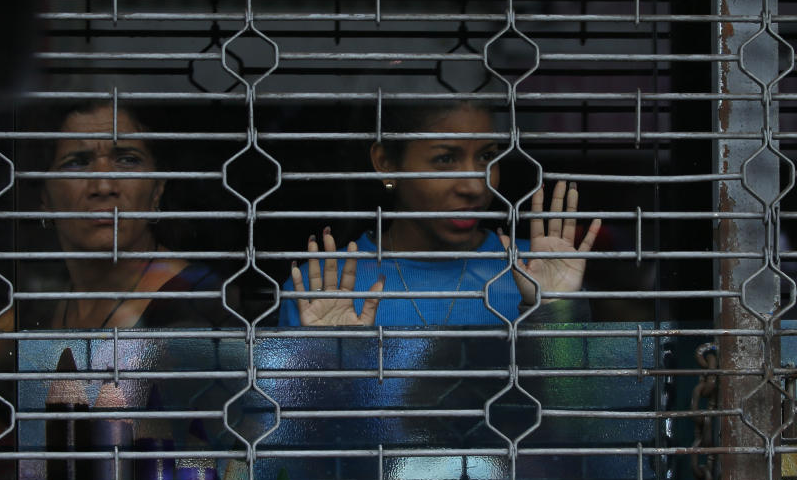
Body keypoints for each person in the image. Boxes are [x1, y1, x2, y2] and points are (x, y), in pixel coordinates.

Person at [279, 99, 601, 326]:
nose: (475, 186)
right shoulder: (322, 289)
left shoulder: (535, 271)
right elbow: (302, 419)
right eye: (446, 159)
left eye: (487, 156)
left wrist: (552, 309)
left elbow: (569, 413)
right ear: (386, 163)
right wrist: (331, 356)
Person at [40, 100, 228, 329]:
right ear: (45, 197)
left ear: (157, 189)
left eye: (127, 160)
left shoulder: (197, 300)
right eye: (77, 163)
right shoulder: (40, 306)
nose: (103, 186)